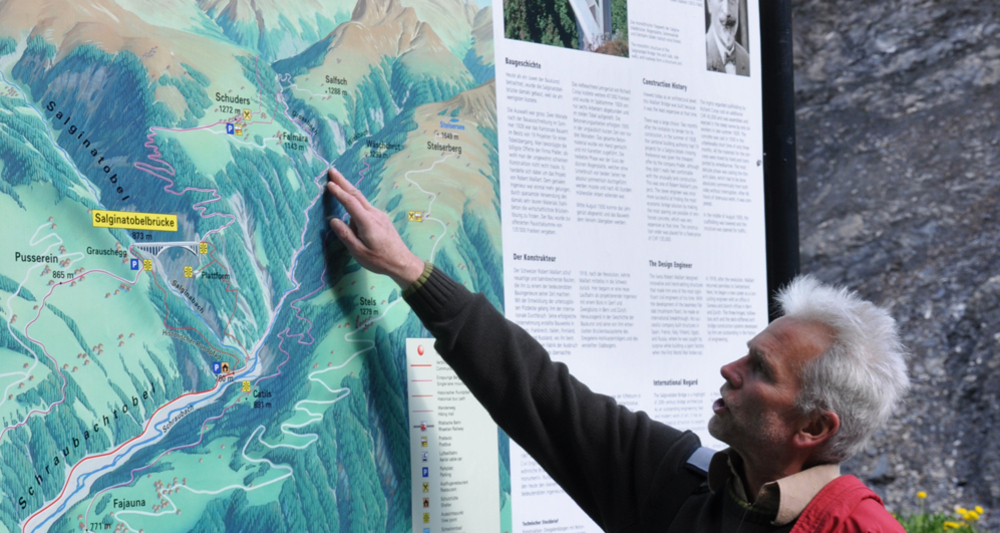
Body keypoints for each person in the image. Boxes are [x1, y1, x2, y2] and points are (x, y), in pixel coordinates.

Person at [324, 168, 909, 532]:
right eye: (745, 354)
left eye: (760, 370)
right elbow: (540, 394)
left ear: (812, 426)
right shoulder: (684, 487)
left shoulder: (853, 529)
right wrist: (410, 271)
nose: (729, 370)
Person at [706, 0, 750, 76]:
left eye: (732, 1)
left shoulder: (747, 60)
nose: (727, 11)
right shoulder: (697, 55)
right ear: (709, 4)